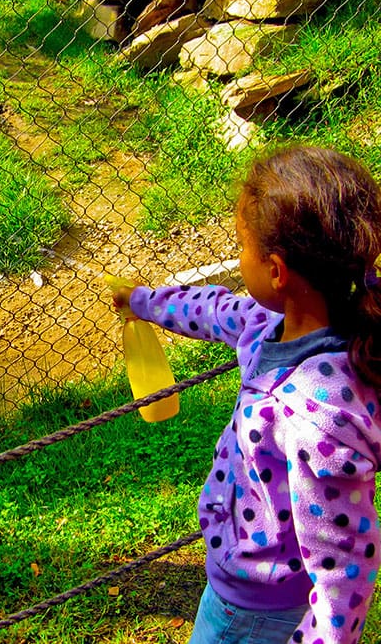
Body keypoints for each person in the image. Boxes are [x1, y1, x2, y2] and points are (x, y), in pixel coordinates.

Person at [113, 145, 381, 643]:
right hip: (242, 584)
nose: (239, 258)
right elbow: (216, 309)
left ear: (276, 271)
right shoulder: (276, 325)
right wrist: (143, 302)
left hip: (262, 608)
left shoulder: (313, 414)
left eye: (241, 245)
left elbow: (346, 567)